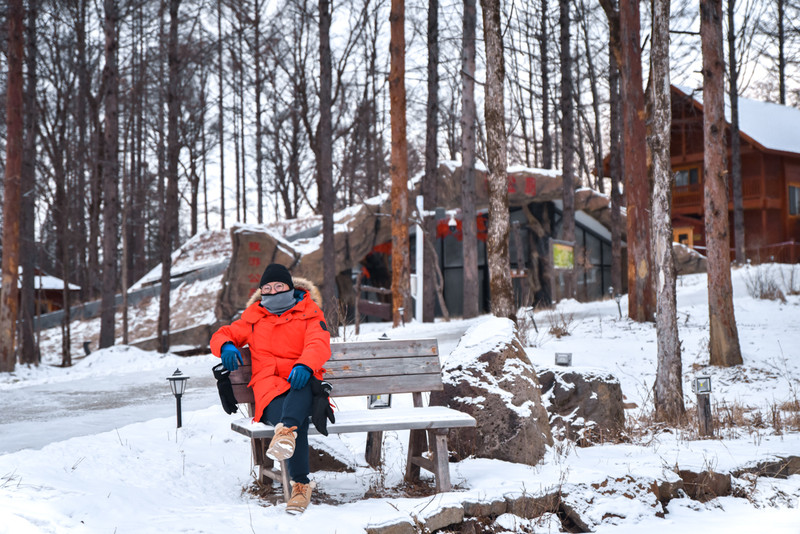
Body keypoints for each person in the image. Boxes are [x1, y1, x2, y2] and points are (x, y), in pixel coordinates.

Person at [210, 263, 331, 514]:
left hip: (302, 381)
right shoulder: (253, 319)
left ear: (290, 288)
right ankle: (299, 478)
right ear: (261, 292)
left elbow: (318, 343)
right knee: (294, 419)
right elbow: (221, 334)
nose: (273, 292)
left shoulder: (310, 313)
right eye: (267, 288)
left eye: (279, 286)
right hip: (269, 390)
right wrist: (226, 346)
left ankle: (291, 453)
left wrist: (305, 365)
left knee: (296, 404)